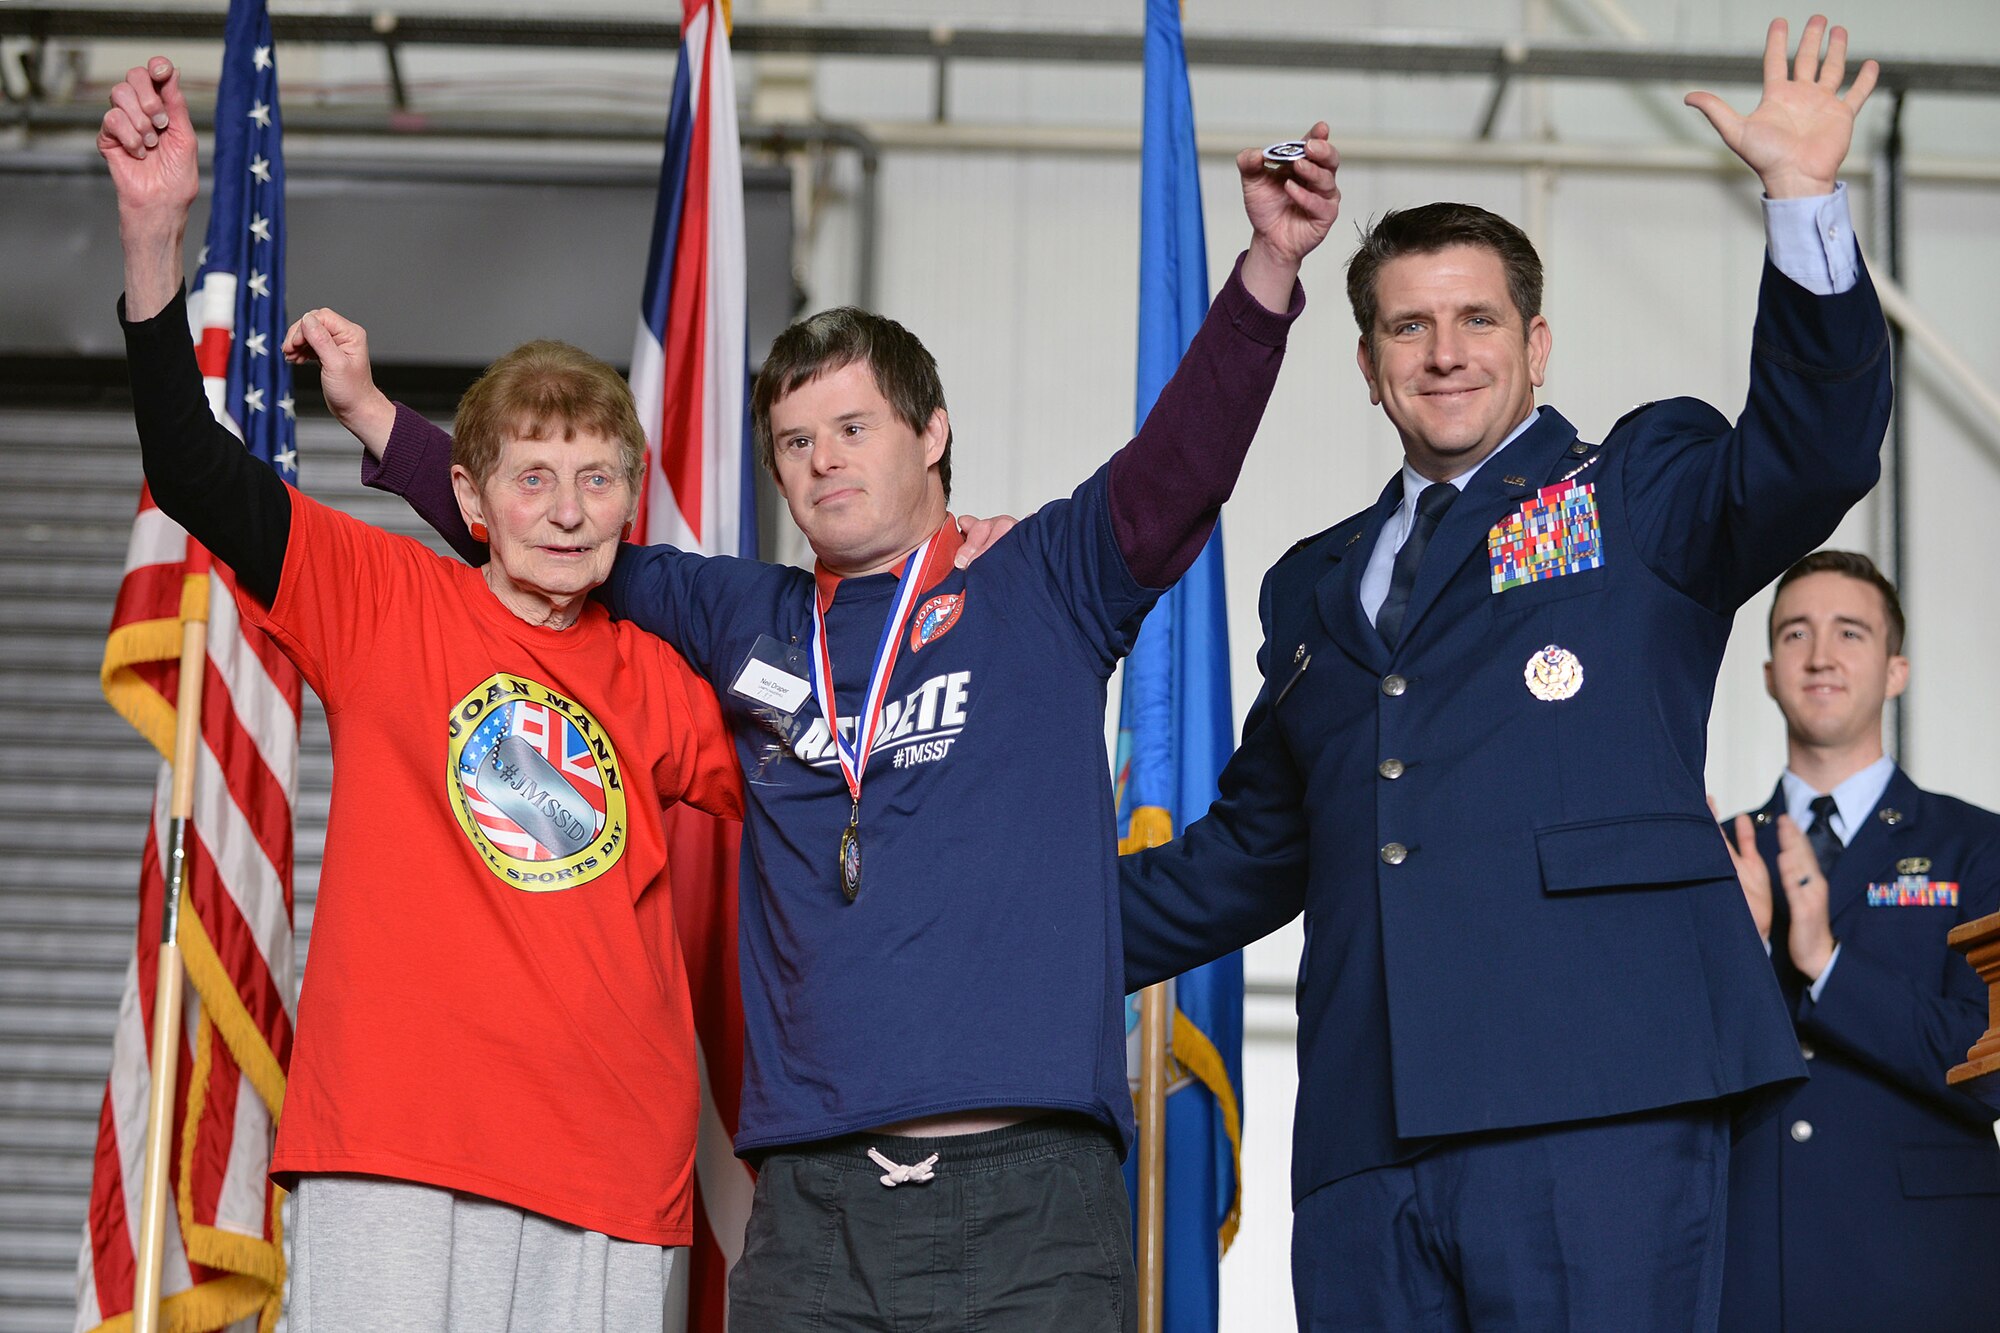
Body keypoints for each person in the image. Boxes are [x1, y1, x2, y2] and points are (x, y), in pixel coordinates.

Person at [301, 124, 1342, 1330]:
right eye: (794, 442)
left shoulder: (1043, 580)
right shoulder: (740, 612)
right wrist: (379, 420)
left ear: (931, 434)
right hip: (811, 1209)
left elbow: (1178, 468)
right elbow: (552, 539)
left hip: (1031, 1200)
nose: (822, 462)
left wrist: (1266, 273)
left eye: (853, 429)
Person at [1119, 16, 1892, 1329]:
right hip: (1367, 1141)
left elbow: (1812, 454)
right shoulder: (1310, 581)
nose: (1444, 351)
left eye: (1478, 318)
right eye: (1407, 327)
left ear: (1538, 345)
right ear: (1366, 367)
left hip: (1599, 1104)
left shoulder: (1637, 488)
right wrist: (997, 920)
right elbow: (1246, 854)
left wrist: (1804, 206)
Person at [100, 60, 744, 1332]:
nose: (567, 508)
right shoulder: (379, 598)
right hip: (395, 1144)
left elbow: (815, 798)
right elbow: (187, 462)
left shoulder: (666, 676)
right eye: (533, 475)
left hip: (615, 1164)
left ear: (630, 498)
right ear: (468, 495)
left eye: (600, 478)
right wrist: (152, 231)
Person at [1716, 550, 2000, 1332]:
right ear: (1771, 673)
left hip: (1924, 1268)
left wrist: (1827, 966)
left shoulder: (1980, 846)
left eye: (1851, 632)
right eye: (1796, 633)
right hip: (1750, 1261)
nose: (1821, 655)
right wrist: (1733, 954)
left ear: (1896, 669)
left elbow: (1994, 1062)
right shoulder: (1716, 854)